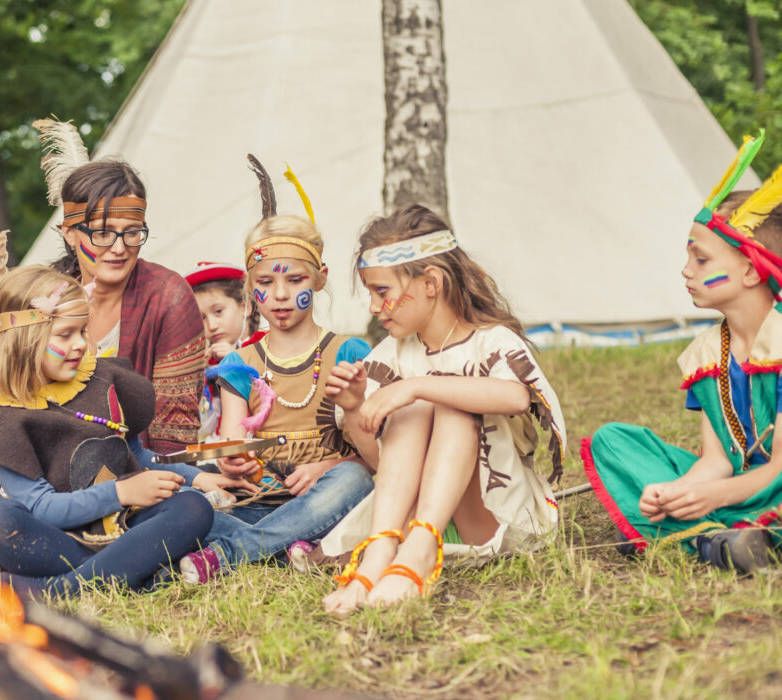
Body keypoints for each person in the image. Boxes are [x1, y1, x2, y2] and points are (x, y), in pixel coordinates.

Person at [0, 266, 246, 598]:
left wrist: (194, 477)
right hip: (59, 540)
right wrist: (122, 492)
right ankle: (138, 571)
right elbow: (42, 508)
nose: (79, 344)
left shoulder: (101, 382)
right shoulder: (1, 422)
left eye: (83, 331)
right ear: (25, 341)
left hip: (129, 526)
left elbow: (138, 459)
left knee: (192, 507)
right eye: (65, 334)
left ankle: (59, 590)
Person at [320, 204, 565, 614]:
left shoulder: (492, 340)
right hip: (407, 514)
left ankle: (416, 551)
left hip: (494, 516)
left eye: (383, 292)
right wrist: (356, 406)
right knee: (415, 408)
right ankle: (381, 551)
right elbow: (385, 462)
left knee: (447, 400)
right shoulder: (394, 353)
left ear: (431, 283)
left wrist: (417, 386)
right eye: (371, 293)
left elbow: (516, 397)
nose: (374, 307)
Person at [583, 132, 782, 573]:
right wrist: (682, 491)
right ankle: (722, 535)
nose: (686, 271)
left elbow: (778, 467)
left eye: (702, 260)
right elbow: (716, 461)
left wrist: (714, 496)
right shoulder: (710, 353)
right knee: (612, 441)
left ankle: (701, 535)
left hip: (776, 483)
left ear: (751, 270)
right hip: (738, 488)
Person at [176, 159, 374, 584]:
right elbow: (231, 440)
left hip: (329, 495)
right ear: (251, 287)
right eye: (265, 283)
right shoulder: (239, 364)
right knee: (177, 507)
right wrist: (233, 464)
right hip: (261, 499)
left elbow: (381, 455)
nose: (280, 295)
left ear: (320, 279)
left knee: (355, 479)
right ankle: (297, 547)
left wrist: (326, 470)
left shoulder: (350, 352)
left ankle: (231, 553)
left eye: (296, 280)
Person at [36, 119, 206, 454]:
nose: (119, 247)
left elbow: (174, 429)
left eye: (132, 231)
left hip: (147, 474)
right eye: (102, 232)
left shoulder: (168, 297)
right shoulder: (40, 300)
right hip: (48, 479)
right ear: (70, 234)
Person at [183, 262, 265, 440]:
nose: (211, 326)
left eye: (218, 311)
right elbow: (204, 428)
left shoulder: (268, 345)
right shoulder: (211, 363)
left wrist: (238, 359)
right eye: (201, 317)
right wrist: (198, 378)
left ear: (246, 307)